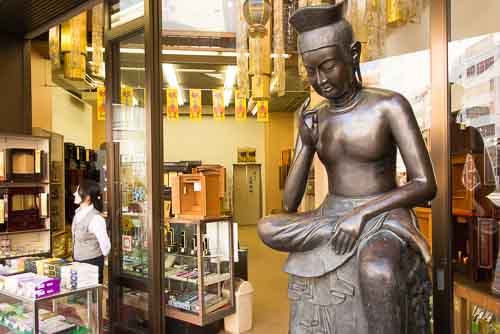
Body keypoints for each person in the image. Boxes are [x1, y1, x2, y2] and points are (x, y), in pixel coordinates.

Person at [257, 2, 437, 334]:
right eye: (311, 71)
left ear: (352, 54)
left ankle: (350, 233)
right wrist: (307, 145)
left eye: (327, 66)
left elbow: (425, 184)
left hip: (383, 214)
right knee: (267, 227)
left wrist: (362, 215)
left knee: (377, 268)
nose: (320, 80)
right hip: (331, 215)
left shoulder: (389, 106)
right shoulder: (314, 116)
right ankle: (334, 232)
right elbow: (289, 204)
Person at [72, 179, 110, 284]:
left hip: (92, 263)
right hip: (77, 261)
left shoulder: (96, 218)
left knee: (92, 297)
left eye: (78, 191)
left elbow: (105, 245)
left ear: (87, 198)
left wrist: (103, 259)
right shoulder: (78, 213)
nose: (74, 193)